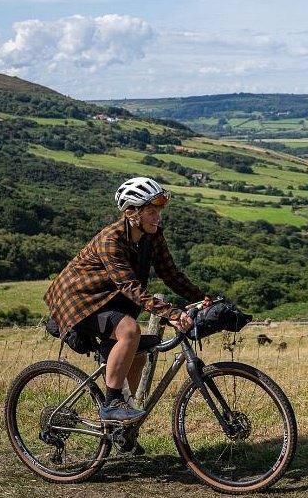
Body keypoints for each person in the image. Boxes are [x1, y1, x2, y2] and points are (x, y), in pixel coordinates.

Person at [44, 177, 210, 429]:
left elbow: (170, 273)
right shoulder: (110, 239)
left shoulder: (152, 237)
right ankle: (112, 404)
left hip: (111, 299)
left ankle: (122, 423)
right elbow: (128, 286)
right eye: (151, 212)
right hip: (79, 301)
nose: (157, 217)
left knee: (139, 356)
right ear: (131, 212)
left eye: (159, 212)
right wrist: (172, 313)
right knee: (130, 330)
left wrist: (200, 297)